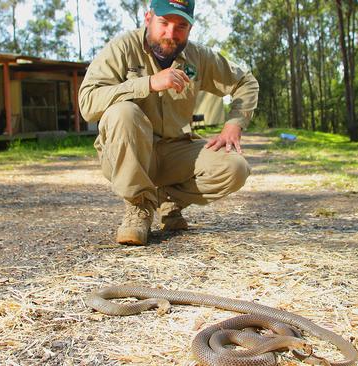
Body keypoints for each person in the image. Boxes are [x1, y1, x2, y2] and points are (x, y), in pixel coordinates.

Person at [79, 0, 259, 246]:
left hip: (174, 151)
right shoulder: (121, 48)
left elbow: (246, 82)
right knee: (123, 112)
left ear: (190, 29)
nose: (170, 34)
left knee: (235, 168)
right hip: (128, 153)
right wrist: (148, 83)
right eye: (163, 23)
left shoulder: (197, 57)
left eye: (181, 26)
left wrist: (234, 123)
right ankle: (138, 209)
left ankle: (168, 199)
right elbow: (87, 103)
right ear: (148, 18)